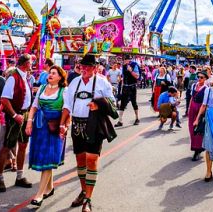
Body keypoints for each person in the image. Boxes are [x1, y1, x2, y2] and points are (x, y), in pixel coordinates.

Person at [60, 54, 115, 212]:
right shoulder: (74, 82)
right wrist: (63, 124)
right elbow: (67, 105)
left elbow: (112, 103)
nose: (83, 69)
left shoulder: (102, 82)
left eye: (87, 66)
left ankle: (88, 200)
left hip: (94, 124)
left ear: (95, 68)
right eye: (82, 66)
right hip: (77, 125)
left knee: (91, 160)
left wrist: (98, 105)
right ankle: (84, 191)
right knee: (80, 162)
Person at [25, 65, 68, 208]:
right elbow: (34, 107)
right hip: (40, 126)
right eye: (50, 72)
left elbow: (67, 111)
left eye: (54, 73)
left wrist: (64, 126)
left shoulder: (64, 91)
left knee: (48, 158)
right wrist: (29, 122)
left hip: (54, 127)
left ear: (60, 77)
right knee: (43, 157)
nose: (50, 74)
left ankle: (39, 194)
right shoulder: (42, 88)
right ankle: (49, 188)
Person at [0, 55, 34, 192]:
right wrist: (14, 115)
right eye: (31, 62)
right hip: (15, 115)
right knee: (6, 147)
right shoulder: (13, 77)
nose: (32, 64)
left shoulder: (25, 76)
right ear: (26, 63)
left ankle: (20, 176)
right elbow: (4, 99)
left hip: (24, 114)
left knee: (23, 145)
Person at [188, 71, 208, 161]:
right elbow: (192, 97)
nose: (199, 79)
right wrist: (189, 108)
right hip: (192, 107)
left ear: (205, 79)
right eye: (198, 77)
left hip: (200, 109)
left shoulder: (207, 88)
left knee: (198, 129)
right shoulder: (194, 85)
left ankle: (198, 150)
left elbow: (206, 103)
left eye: (201, 77)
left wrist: (203, 114)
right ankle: (195, 147)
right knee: (191, 129)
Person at [115, 59, 140, 127]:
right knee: (122, 103)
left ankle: (137, 118)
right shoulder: (123, 66)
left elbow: (137, 76)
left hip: (132, 87)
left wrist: (131, 71)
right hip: (125, 87)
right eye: (124, 60)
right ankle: (120, 121)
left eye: (125, 60)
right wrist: (121, 83)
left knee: (134, 103)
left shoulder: (134, 65)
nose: (124, 61)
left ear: (128, 60)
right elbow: (123, 76)